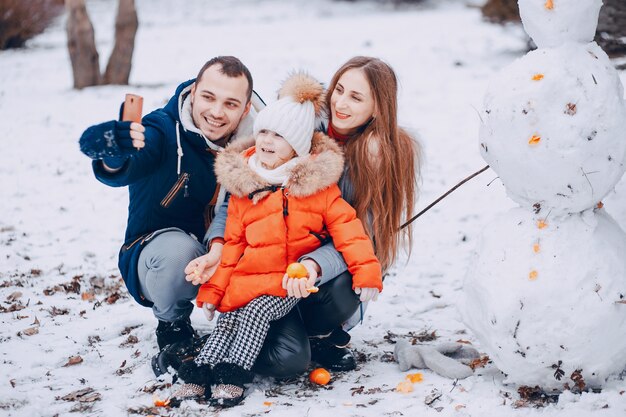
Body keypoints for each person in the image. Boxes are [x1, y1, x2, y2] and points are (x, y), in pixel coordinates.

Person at [188, 56, 420, 374]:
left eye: (356, 97)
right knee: (284, 355)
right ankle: (256, 340)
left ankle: (316, 333)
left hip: (312, 275)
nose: (341, 103)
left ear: (378, 107)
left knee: (339, 296)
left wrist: (312, 265)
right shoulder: (295, 127)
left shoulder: (375, 154)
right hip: (265, 270)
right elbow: (234, 203)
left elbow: (358, 236)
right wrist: (217, 248)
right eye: (339, 89)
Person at [174, 72, 382, 407]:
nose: (268, 141)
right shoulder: (247, 185)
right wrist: (214, 292)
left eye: (279, 136)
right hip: (245, 279)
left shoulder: (319, 189)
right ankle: (200, 373)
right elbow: (233, 245)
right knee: (230, 318)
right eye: (264, 132)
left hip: (286, 282)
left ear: (298, 146)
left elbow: (351, 231)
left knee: (254, 312)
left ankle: (233, 375)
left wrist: (367, 274)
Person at [78, 56, 261, 352]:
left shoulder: (260, 145)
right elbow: (133, 158)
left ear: (246, 109)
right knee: (179, 253)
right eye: (208, 97)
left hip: (229, 249)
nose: (216, 112)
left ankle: (257, 326)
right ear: (193, 92)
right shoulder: (162, 130)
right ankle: (173, 325)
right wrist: (114, 152)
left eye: (230, 103)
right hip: (159, 256)